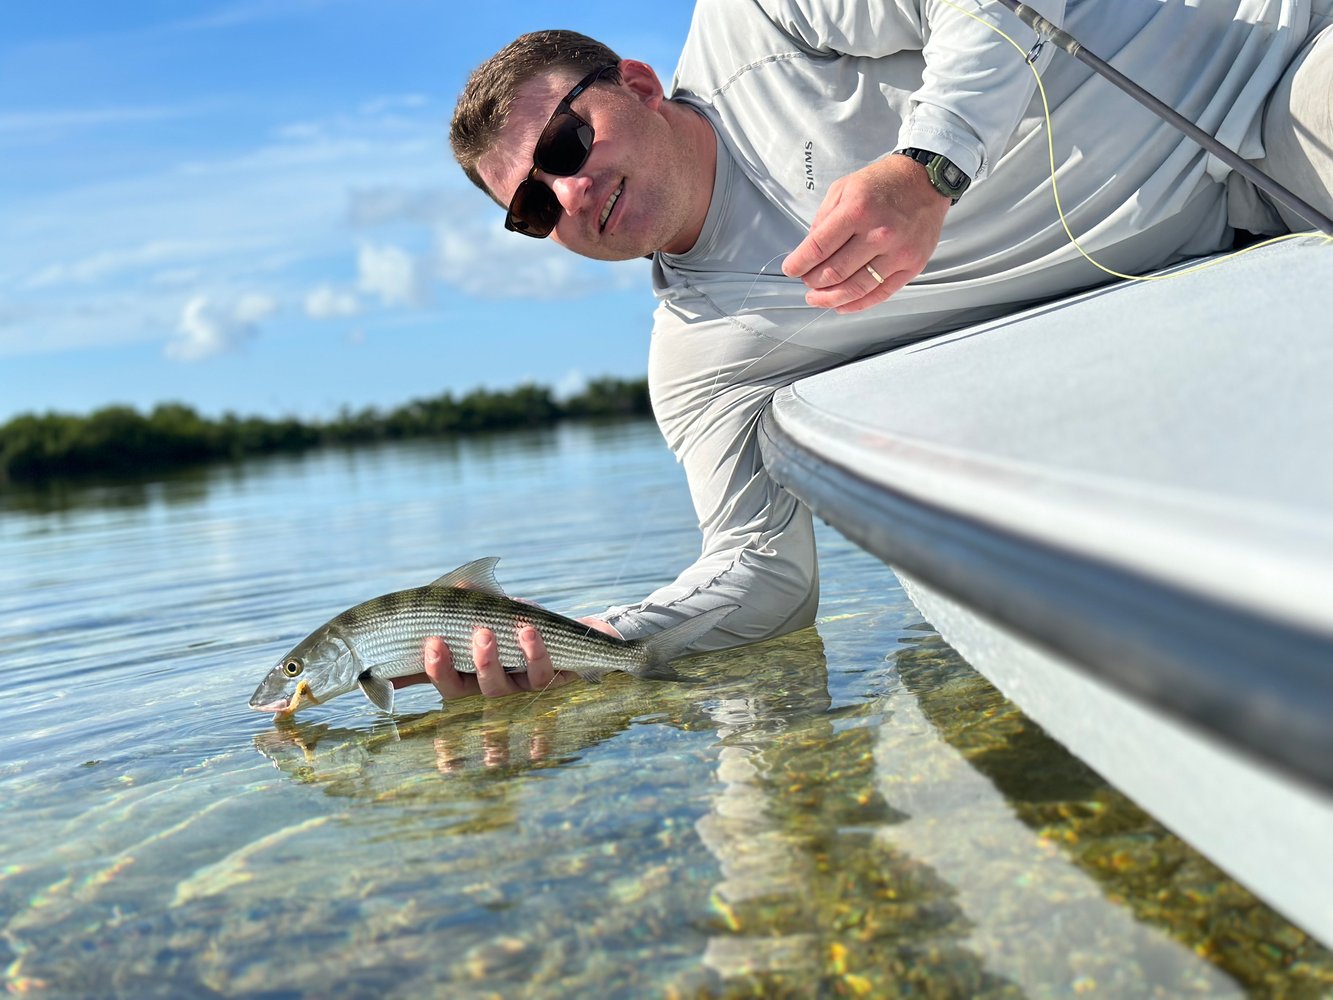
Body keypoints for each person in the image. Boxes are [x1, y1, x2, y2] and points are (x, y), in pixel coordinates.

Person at [398, 0, 1333, 702]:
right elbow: (760, 575)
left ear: (638, 86)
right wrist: (598, 641)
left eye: (564, 144)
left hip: (1266, 76)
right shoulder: (702, 358)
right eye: (528, 208)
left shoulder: (758, 20)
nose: (564, 196)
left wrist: (926, 168)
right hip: (1224, 239)